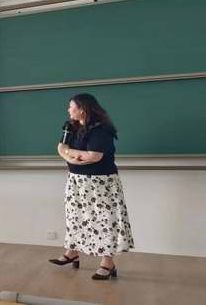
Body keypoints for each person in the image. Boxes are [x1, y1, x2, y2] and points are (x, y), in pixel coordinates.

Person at [49, 93, 134, 280]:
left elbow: (94, 156)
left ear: (82, 109)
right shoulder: (71, 126)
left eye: (71, 107)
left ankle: (108, 263)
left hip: (100, 183)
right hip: (76, 181)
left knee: (104, 220)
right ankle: (72, 253)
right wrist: (75, 157)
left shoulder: (100, 129)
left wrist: (70, 153)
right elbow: (60, 148)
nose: (68, 110)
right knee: (75, 217)